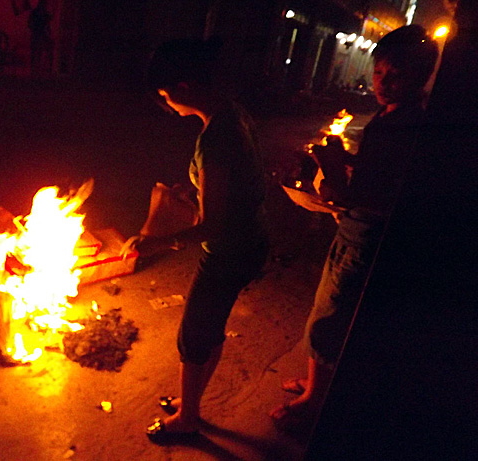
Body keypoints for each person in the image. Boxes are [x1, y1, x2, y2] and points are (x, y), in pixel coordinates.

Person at [268, 25, 439, 430]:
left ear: (420, 77)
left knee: (329, 316)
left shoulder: (402, 127)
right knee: (327, 310)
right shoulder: (391, 118)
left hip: (363, 235)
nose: (384, 82)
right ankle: (317, 383)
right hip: (355, 230)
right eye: (380, 72)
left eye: (396, 74)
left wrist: (330, 163)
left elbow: (359, 194)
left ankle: (316, 400)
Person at [123, 37, 269, 443]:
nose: (167, 104)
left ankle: (187, 420)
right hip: (250, 240)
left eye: (167, 96)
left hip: (230, 251)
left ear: (184, 89)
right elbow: (233, 186)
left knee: (193, 334)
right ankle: (192, 403)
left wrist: (156, 242)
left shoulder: (216, 138)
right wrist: (191, 194)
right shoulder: (232, 115)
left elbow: (212, 226)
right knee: (211, 326)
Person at [28, 0, 54, 78]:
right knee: (36, 50)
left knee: (38, 50)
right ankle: (35, 67)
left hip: (40, 34)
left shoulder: (41, 13)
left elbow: (47, 24)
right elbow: (30, 23)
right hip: (38, 33)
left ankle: (36, 67)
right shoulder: (40, 13)